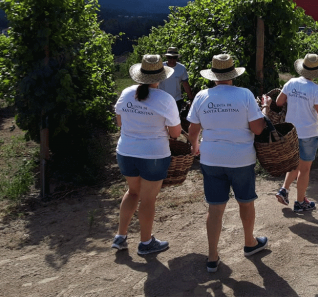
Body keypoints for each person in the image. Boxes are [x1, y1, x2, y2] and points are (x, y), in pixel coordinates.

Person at [187, 54, 268, 273]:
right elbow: (258, 129)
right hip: (241, 159)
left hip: (211, 158)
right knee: (246, 202)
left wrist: (195, 147)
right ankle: (250, 243)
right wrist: (264, 112)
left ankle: (212, 257)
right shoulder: (244, 95)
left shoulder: (202, 96)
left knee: (215, 208)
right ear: (233, 74)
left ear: (214, 76)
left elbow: (193, 131)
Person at [112, 54, 181, 255]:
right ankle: (145, 243)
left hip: (125, 152)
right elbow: (175, 133)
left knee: (133, 192)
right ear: (160, 77)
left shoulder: (126, 93)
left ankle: (120, 236)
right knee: (148, 199)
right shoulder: (165, 99)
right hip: (154, 155)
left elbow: (119, 122)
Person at [273, 54, 318, 212]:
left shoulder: (290, 83)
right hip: (308, 134)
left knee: (294, 164)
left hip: (290, 133)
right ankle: (299, 203)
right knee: (304, 169)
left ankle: (284, 190)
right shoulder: (315, 90)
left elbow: (278, 102)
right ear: (317, 72)